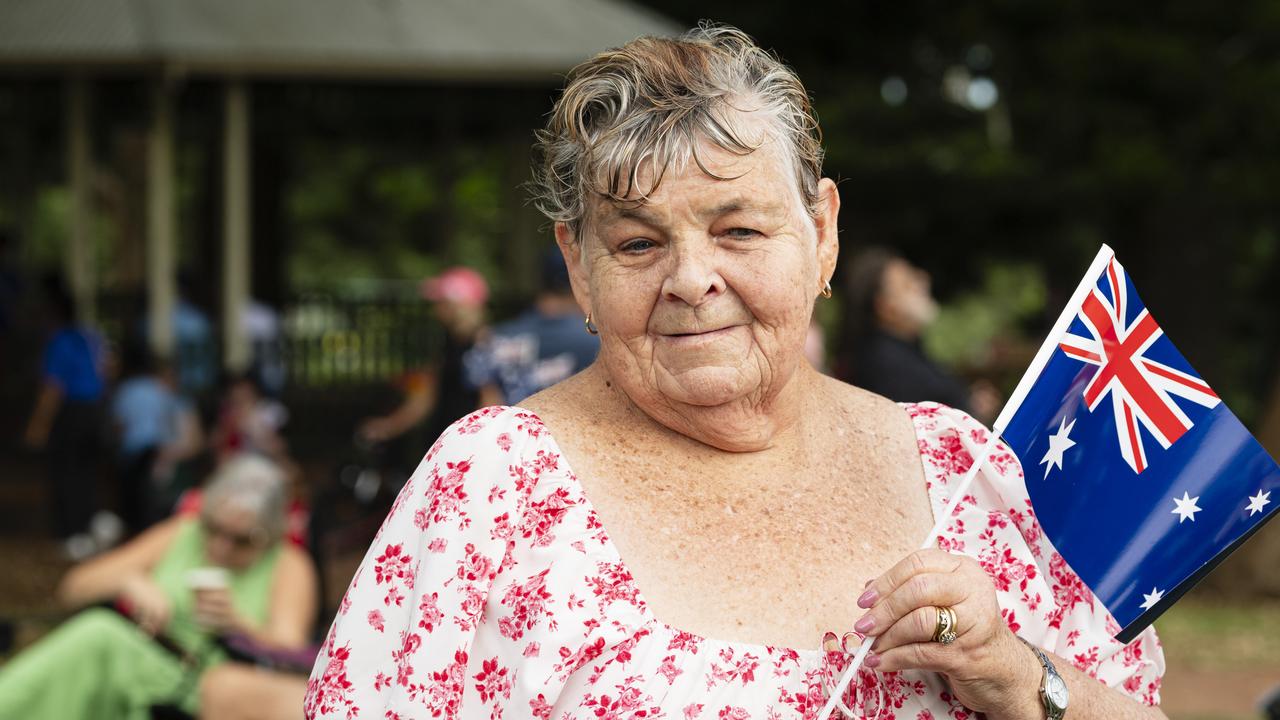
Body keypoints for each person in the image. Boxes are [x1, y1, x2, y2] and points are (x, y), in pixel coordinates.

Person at [305, 25, 1166, 720]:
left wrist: (1020, 679)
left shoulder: (961, 470)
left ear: (822, 232)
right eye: (638, 243)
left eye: (740, 231)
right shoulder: (491, 488)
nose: (690, 279)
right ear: (577, 266)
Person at [0, 455, 318, 720]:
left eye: (242, 540)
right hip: (143, 658)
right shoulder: (184, 532)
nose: (221, 546)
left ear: (273, 532)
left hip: (211, 685)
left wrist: (237, 623)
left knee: (99, 635)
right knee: (98, 635)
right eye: (213, 528)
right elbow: (73, 587)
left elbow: (290, 648)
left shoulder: (289, 563)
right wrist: (130, 581)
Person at [838, 246, 1001, 421]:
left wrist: (969, 406)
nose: (923, 280)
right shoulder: (885, 365)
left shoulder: (904, 350)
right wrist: (968, 411)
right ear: (886, 307)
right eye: (908, 283)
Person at [23, 275, 111, 559]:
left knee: (66, 473)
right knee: (85, 472)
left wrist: (38, 426)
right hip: (94, 410)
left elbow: (53, 387)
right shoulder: (90, 336)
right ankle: (86, 528)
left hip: (71, 412)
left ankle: (72, 534)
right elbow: (107, 367)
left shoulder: (59, 340)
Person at [357, 266, 487, 459]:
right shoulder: (448, 345)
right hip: (447, 445)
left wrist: (478, 447)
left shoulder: (485, 345)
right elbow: (426, 396)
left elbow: (491, 402)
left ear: (460, 305)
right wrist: (389, 426)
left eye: (442, 303)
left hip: (469, 450)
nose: (436, 310)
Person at [463, 249, 599, 405]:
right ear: (582, 281)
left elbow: (486, 410)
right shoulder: (597, 342)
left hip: (509, 427)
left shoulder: (492, 338)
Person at [112, 344, 204, 533]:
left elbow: (119, 426)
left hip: (144, 457)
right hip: (157, 456)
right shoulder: (166, 395)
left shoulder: (127, 389)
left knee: (138, 505)